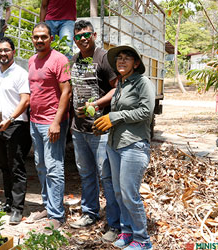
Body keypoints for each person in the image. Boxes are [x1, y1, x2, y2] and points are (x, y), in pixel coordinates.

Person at [94, 45, 155, 250]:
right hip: (114, 145)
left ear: (135, 63)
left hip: (134, 145)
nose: (121, 61)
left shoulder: (143, 83)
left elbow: (146, 112)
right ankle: (127, 232)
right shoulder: (121, 84)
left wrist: (115, 117)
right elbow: (117, 117)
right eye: (119, 58)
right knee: (119, 193)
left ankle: (143, 239)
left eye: (126, 58)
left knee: (130, 194)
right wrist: (104, 125)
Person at [68, 20, 121, 243]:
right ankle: (89, 213)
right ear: (74, 39)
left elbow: (118, 87)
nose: (83, 39)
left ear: (95, 34)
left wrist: (98, 104)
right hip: (78, 129)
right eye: (78, 36)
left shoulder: (104, 58)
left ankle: (115, 223)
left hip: (101, 129)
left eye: (86, 35)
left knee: (106, 176)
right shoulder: (74, 60)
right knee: (86, 174)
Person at [26, 22, 71, 230]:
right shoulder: (31, 60)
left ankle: (57, 215)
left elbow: (66, 92)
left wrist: (56, 122)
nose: (39, 40)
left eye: (44, 36)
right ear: (32, 38)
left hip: (51, 123)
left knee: (54, 167)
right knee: (41, 166)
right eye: (36, 37)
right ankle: (48, 205)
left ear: (51, 38)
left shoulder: (59, 60)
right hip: (35, 121)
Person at [0, 37, 31, 225]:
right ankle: (9, 202)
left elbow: (25, 100)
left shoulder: (20, 73)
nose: (3, 53)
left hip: (16, 126)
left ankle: (18, 209)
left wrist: (9, 120)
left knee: (16, 167)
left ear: (13, 52)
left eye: (6, 50)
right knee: (4, 166)